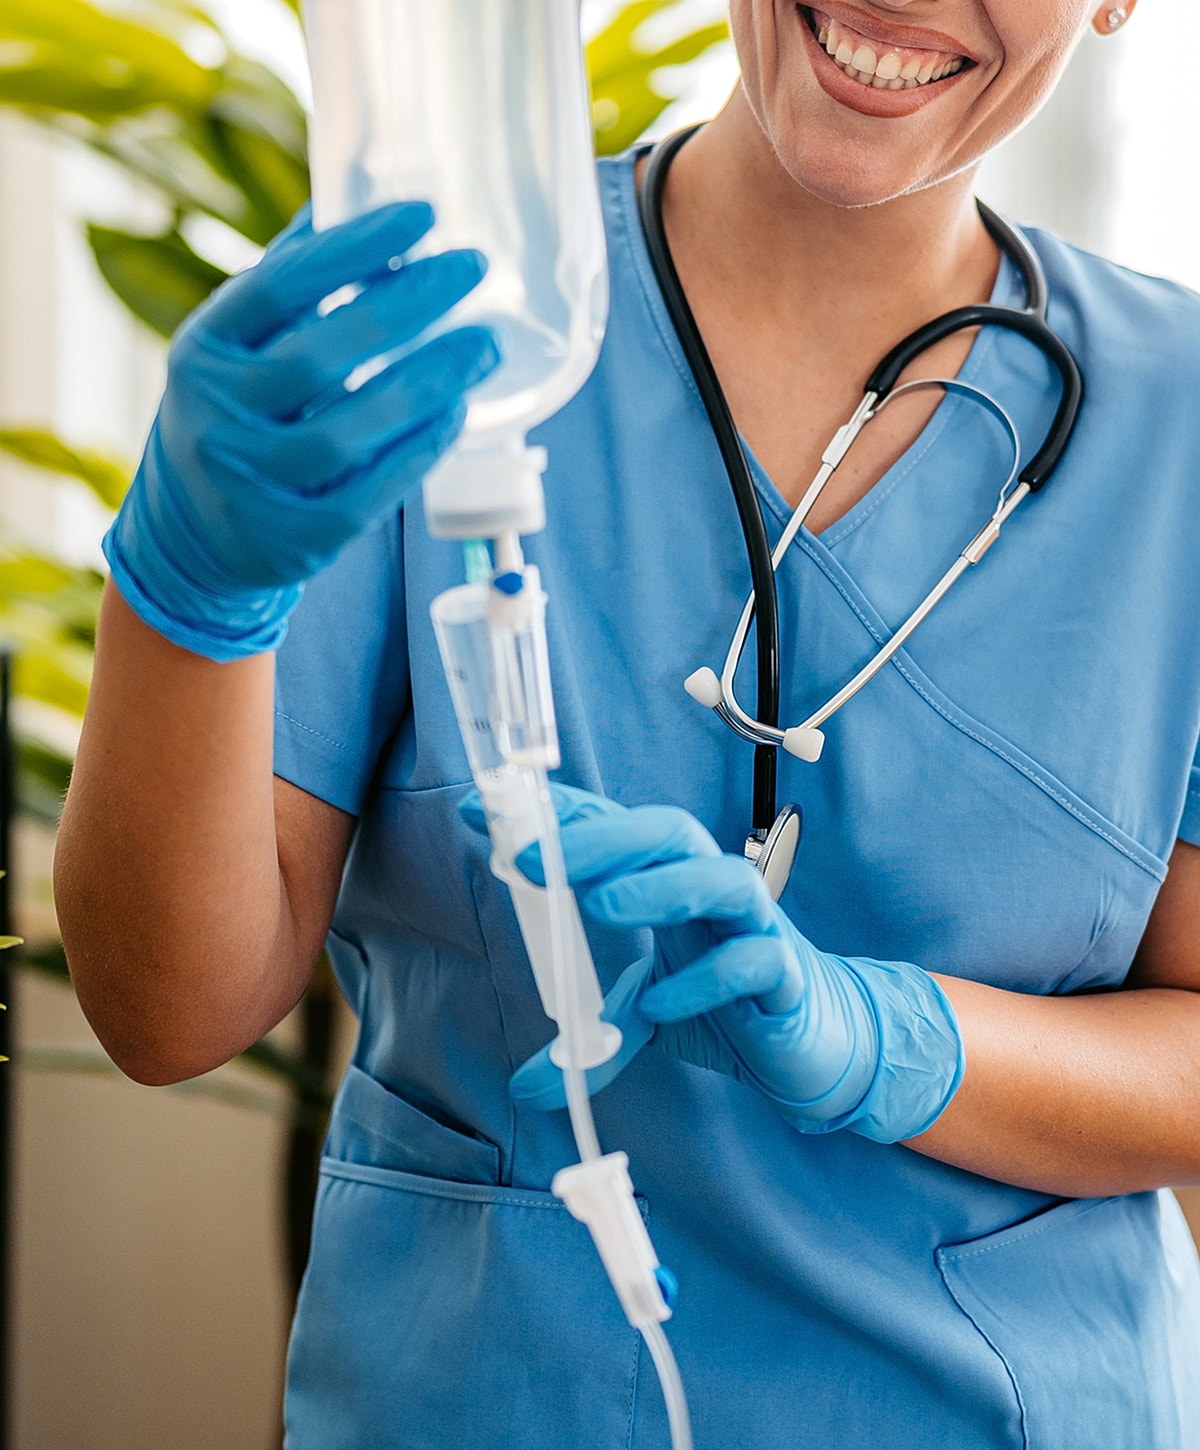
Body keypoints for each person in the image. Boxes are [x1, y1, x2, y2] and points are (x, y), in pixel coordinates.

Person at [54, 0, 1200, 1445]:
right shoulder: (424, 323)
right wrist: (187, 589)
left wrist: (884, 1038)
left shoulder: (1182, 431)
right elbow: (164, 1011)